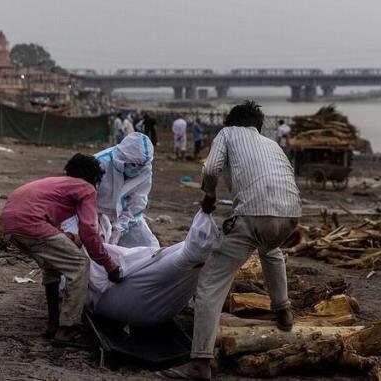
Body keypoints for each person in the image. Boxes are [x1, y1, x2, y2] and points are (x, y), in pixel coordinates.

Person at [166, 100, 301, 380]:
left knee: (211, 284)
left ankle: (200, 363)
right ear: (258, 125)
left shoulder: (227, 134)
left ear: (231, 122)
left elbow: (210, 169)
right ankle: (282, 308)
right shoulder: (272, 144)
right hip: (291, 214)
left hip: (253, 214)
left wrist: (209, 196)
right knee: (270, 249)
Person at [1, 154, 122, 344]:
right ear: (93, 177)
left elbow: (47, 215)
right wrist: (109, 265)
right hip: (31, 223)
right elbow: (89, 230)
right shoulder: (86, 188)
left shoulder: (56, 182)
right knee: (80, 265)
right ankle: (68, 329)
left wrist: (65, 237)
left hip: (10, 223)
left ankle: (53, 324)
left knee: (52, 266)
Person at [95, 132, 159, 248]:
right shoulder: (99, 163)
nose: (137, 169)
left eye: (141, 166)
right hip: (96, 215)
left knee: (149, 247)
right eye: (133, 165)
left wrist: (120, 228)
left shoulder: (145, 170)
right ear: (122, 158)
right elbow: (85, 197)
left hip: (124, 218)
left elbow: (137, 203)